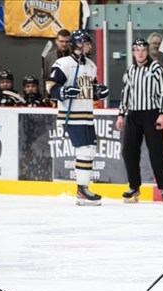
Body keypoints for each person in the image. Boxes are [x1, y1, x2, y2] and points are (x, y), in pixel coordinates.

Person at [46, 29, 108, 205]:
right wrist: (64, 91)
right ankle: (82, 190)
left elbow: (91, 91)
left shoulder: (91, 66)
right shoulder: (63, 63)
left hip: (87, 115)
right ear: (78, 45)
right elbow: (51, 89)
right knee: (83, 150)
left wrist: (99, 93)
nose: (90, 47)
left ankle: (84, 188)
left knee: (89, 151)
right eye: (87, 43)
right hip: (71, 116)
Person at [116, 38, 163, 203]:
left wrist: (162, 114)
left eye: (143, 49)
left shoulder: (156, 68)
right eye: (137, 49)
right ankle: (134, 187)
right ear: (133, 52)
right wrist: (121, 114)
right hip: (133, 114)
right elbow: (125, 92)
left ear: (147, 52)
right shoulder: (130, 70)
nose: (140, 52)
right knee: (129, 151)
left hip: (151, 114)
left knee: (156, 151)